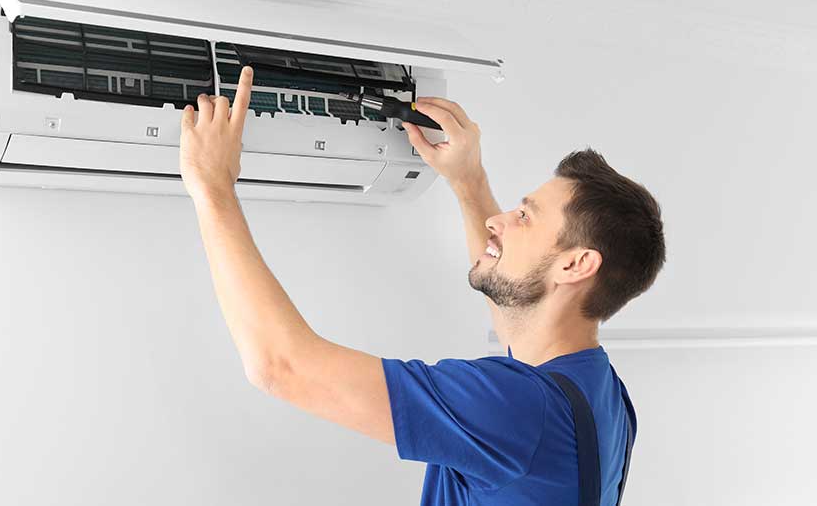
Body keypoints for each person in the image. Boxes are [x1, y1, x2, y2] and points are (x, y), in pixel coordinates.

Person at [180, 66, 666, 505]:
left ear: (576, 265)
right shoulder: (601, 395)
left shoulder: (519, 408)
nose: (501, 220)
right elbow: (519, 319)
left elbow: (281, 366)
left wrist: (212, 186)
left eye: (525, 217)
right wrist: (469, 181)